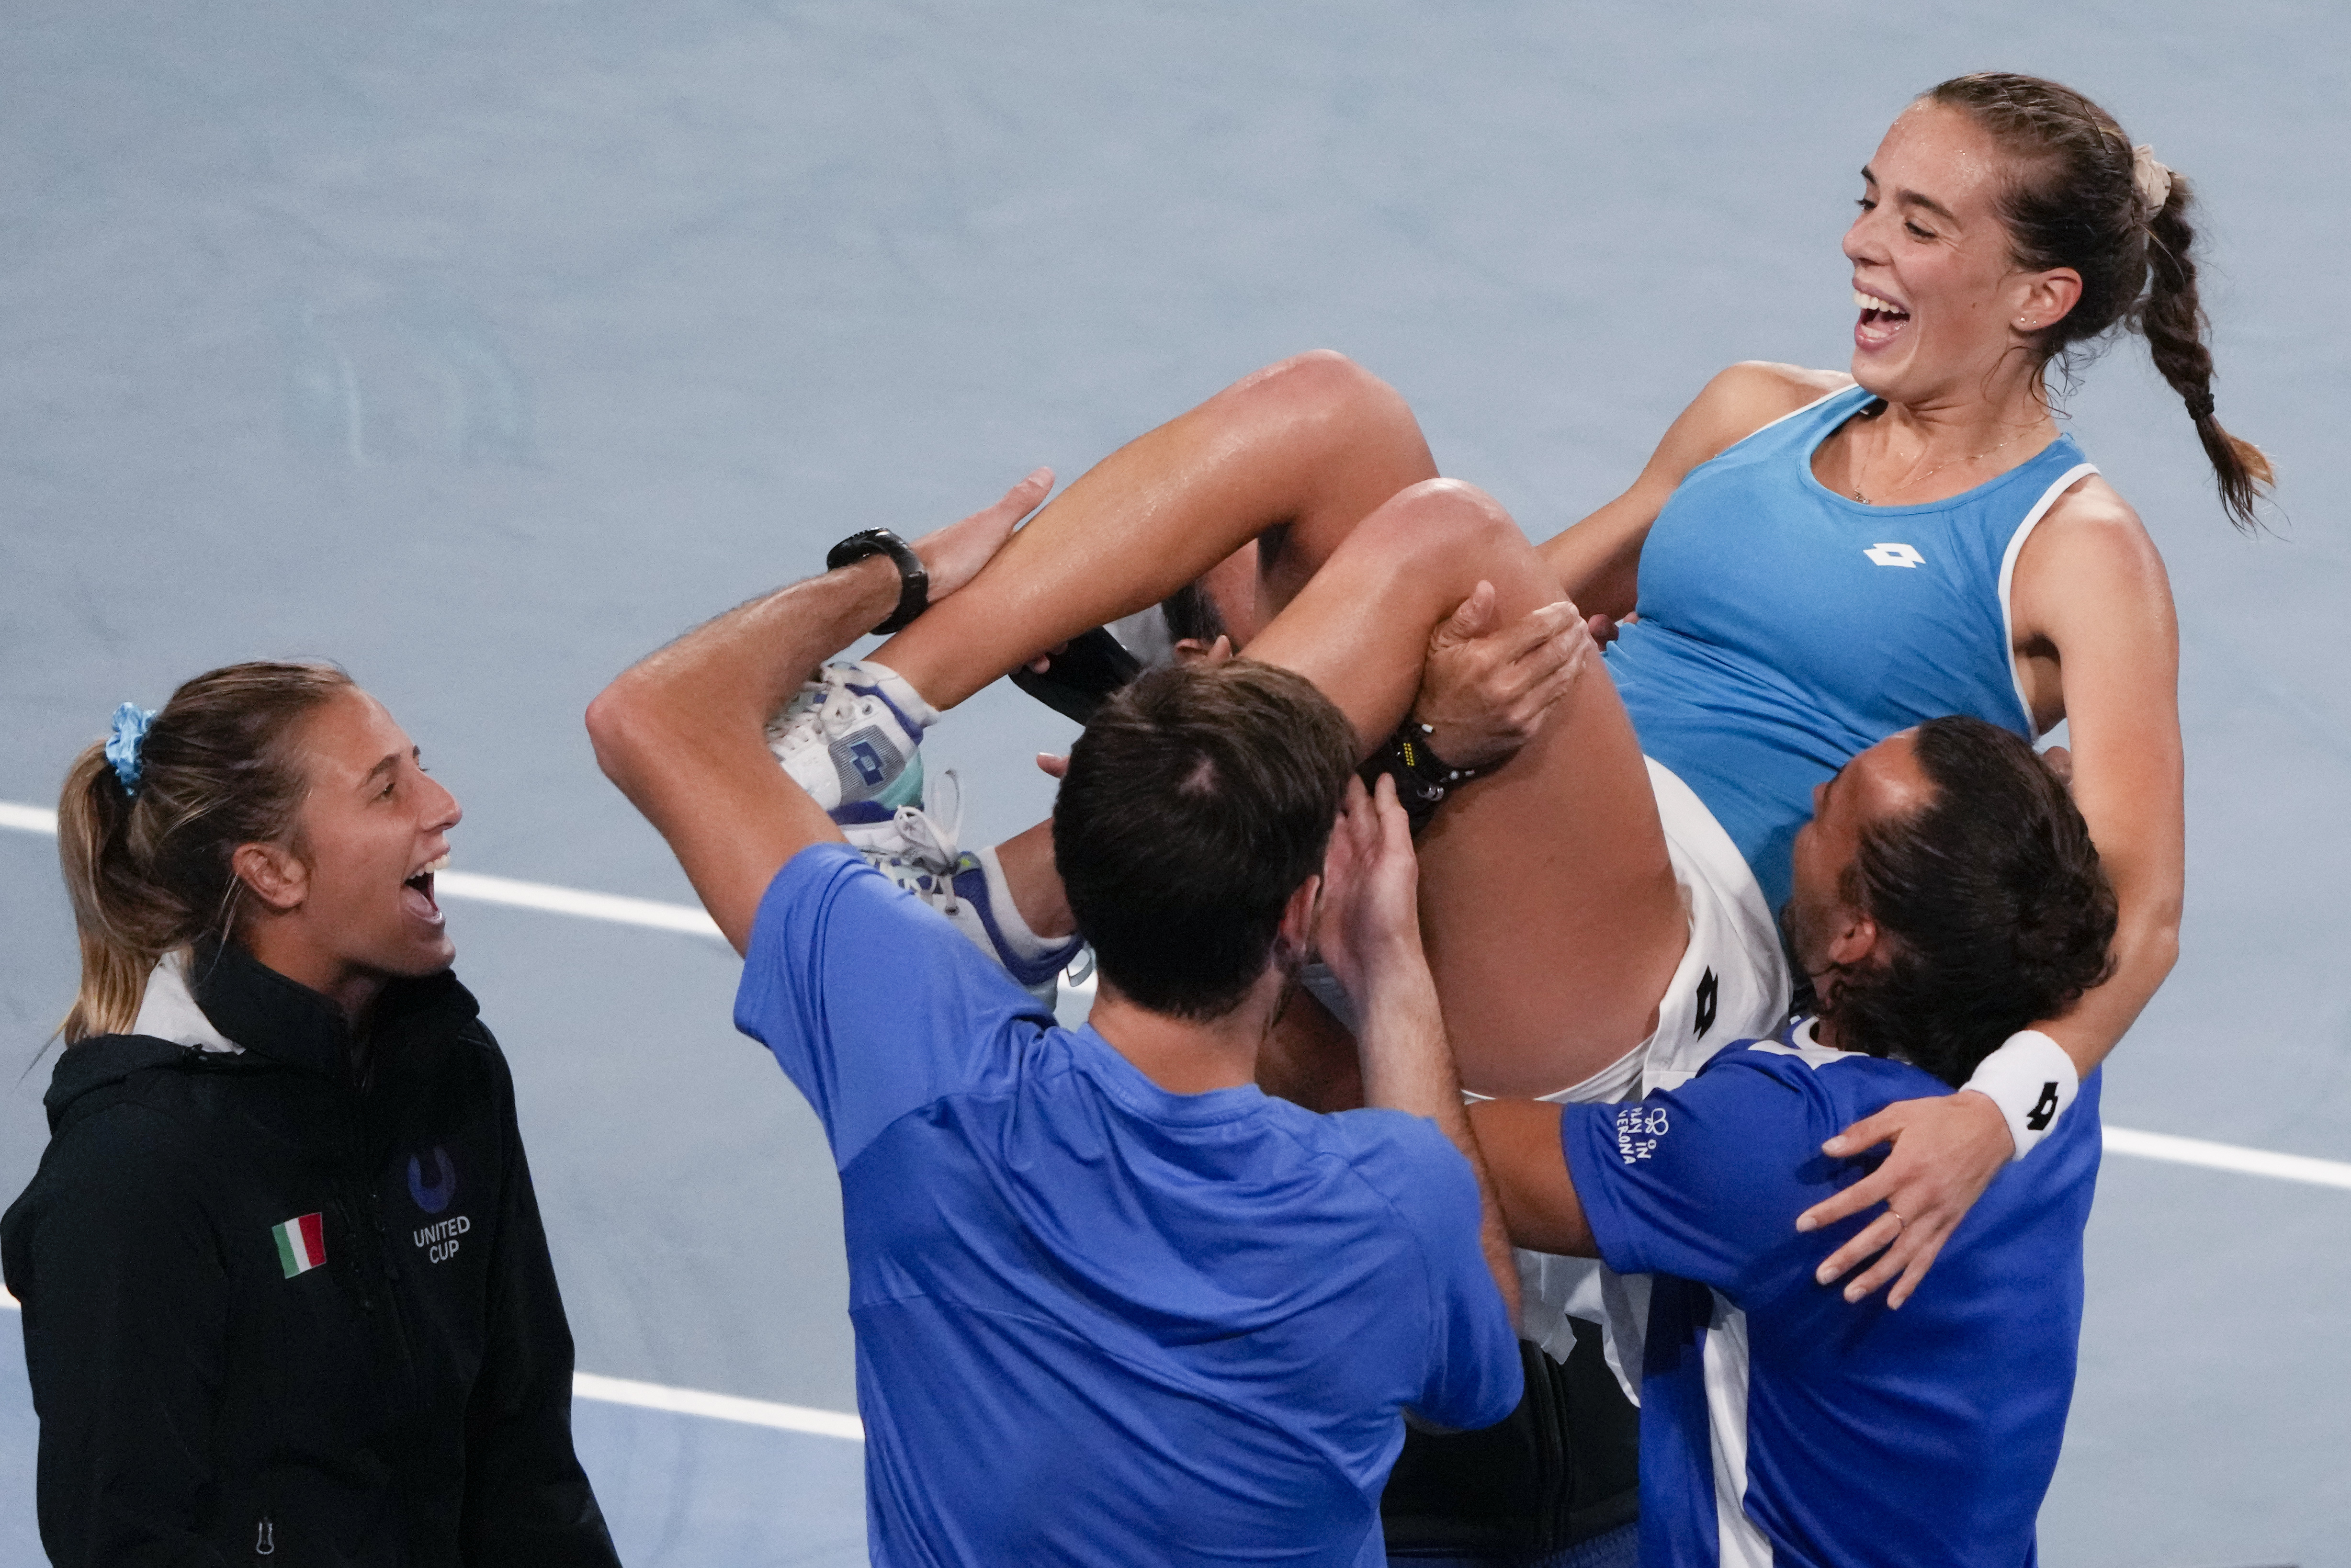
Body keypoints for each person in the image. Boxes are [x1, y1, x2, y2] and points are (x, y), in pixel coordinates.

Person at [759, 70, 2263, 1309]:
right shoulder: (1753, 412)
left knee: (1434, 528)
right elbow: (1496, 590)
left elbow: (2138, 920)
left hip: (1670, 961)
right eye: (1864, 198)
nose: (1864, 243)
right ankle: (869, 714)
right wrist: (1305, 666)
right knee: (1331, 410)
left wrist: (1989, 1120)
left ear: (2034, 294)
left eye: (1919, 223)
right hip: (1532, 810)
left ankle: (1010, 904)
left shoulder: (2074, 554)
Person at [584, 499, 1526, 1567]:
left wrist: (894, 577)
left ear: (1075, 874)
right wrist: (1394, 974)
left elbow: (651, 715)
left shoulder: (919, 1056)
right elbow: (1477, 1373)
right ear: (1297, 918)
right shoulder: (1393, 1200)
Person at [1, 663, 619, 1568]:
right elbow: (126, 1543)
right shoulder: (134, 1175)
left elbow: (520, 1449)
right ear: (273, 872)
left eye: (421, 766)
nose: (442, 805)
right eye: (387, 788)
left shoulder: (449, 1074)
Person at [1467, 716, 2119, 1566]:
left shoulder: (1793, 1149)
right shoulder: (2057, 1071)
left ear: (1855, 935)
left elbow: (1451, 1150)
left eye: (1828, 815)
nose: (1809, 799)